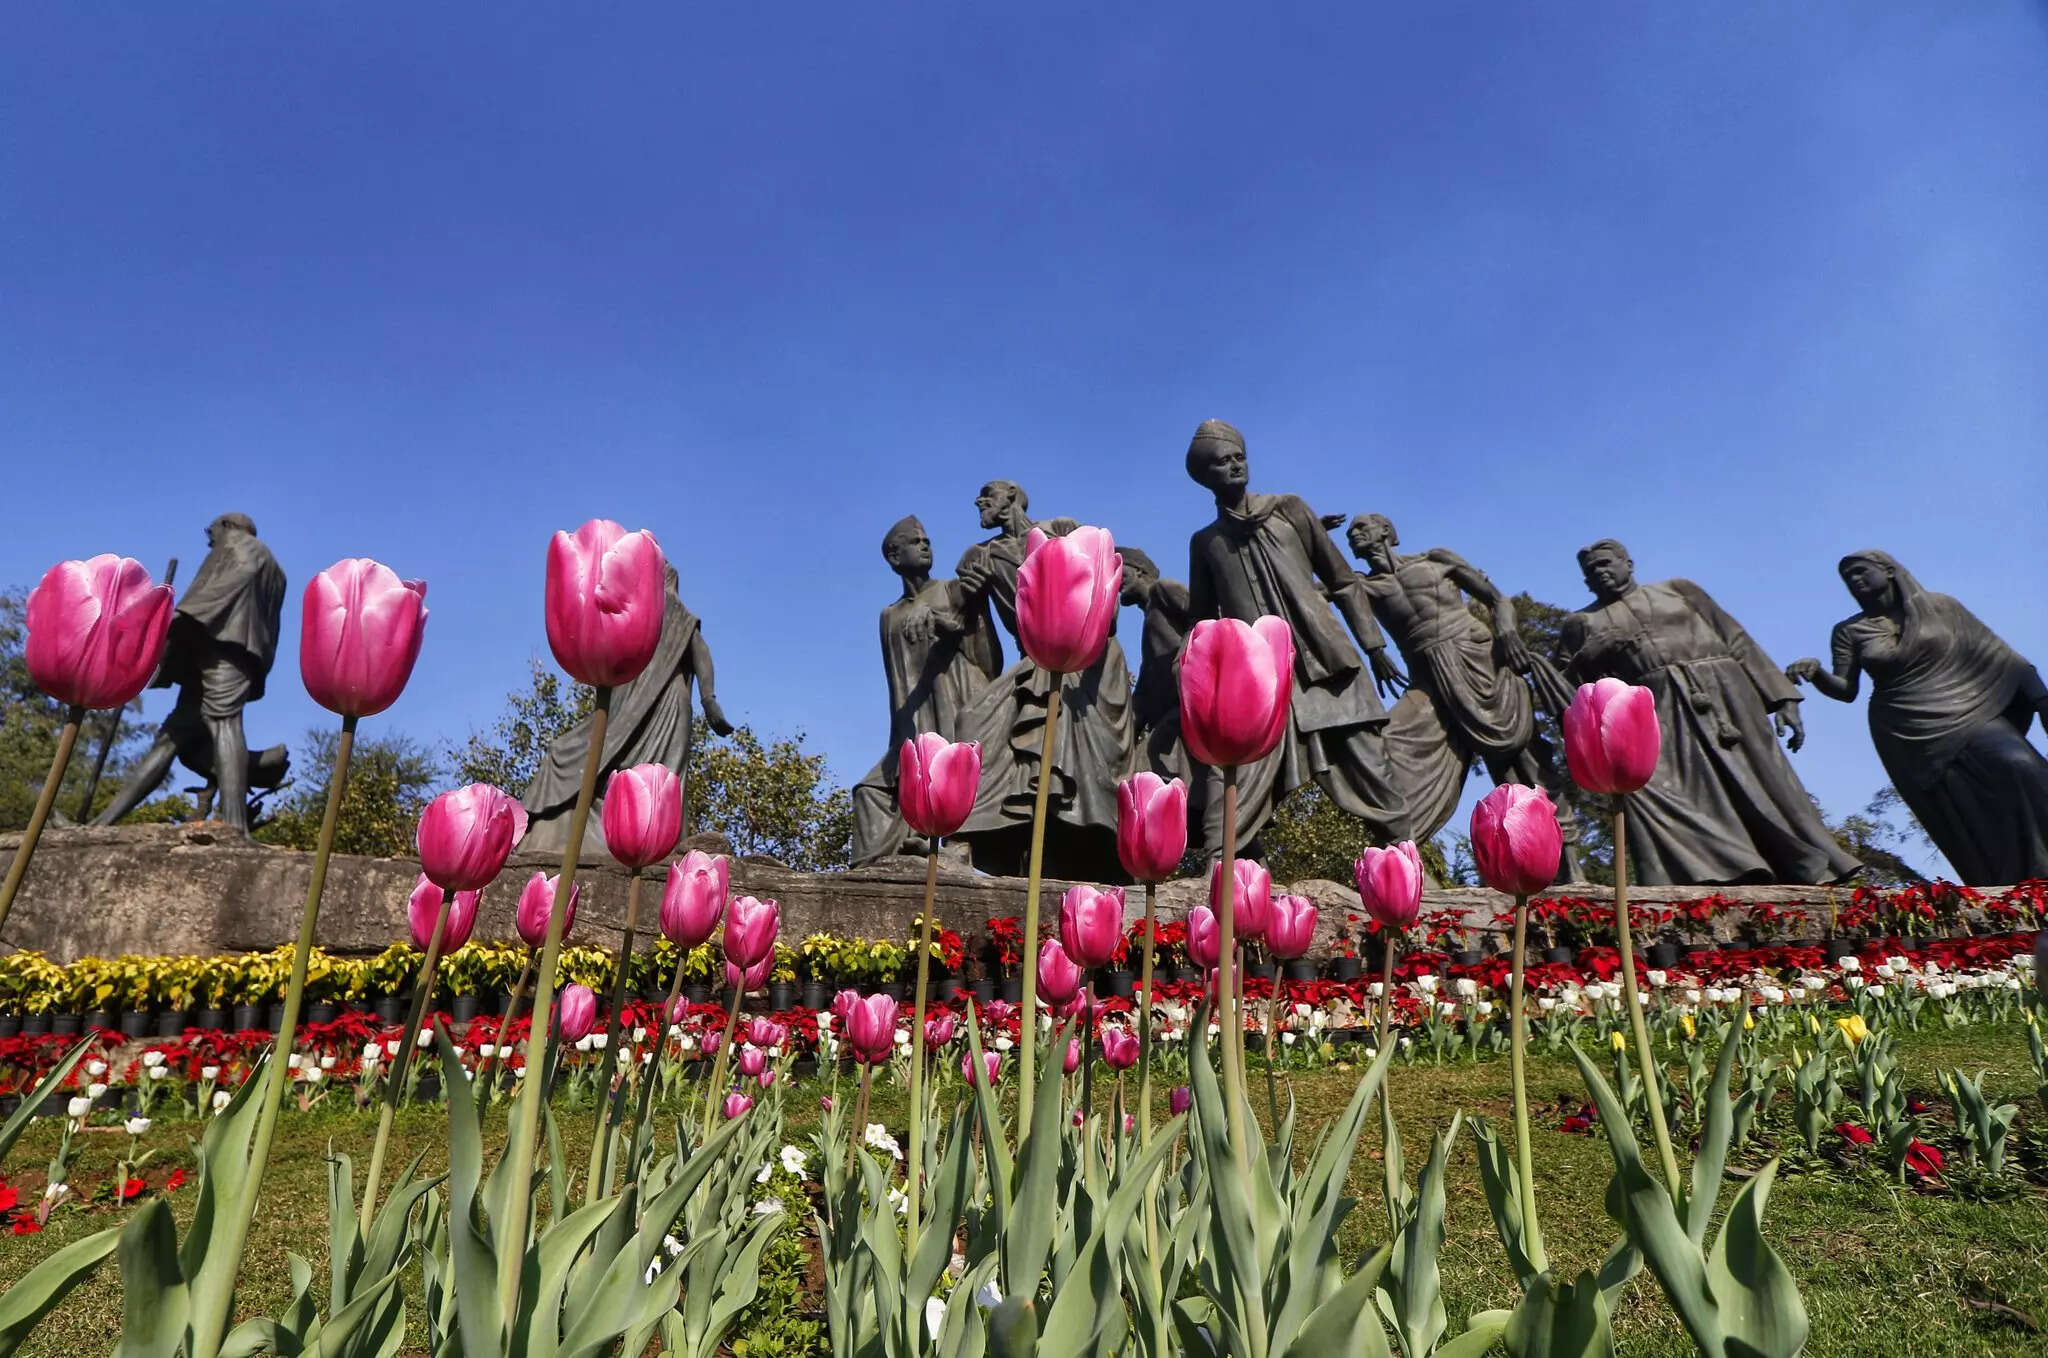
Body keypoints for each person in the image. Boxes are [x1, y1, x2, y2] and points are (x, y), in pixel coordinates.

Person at [1560, 539, 1858, 886]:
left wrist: (1782, 698)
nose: (1600, 572)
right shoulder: (1582, 622)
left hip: (1726, 694)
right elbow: (1567, 688)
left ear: (1629, 563)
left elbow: (1736, 638)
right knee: (1658, 789)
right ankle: (1717, 871)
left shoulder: (1678, 589)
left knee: (1762, 779)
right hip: (1656, 708)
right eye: (1591, 570)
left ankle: (1808, 866)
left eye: (1606, 563)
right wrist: (1587, 656)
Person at [1183, 420, 1407, 852]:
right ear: (1204, 477)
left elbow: (1343, 581)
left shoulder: (1290, 509)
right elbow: (1202, 621)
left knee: (1372, 772)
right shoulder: (1206, 542)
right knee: (1234, 786)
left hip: (1329, 666)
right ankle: (1221, 883)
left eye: (1238, 458)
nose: (1234, 467)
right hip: (1260, 684)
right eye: (1221, 463)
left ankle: (1408, 873)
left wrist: (1374, 645)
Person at [1335, 513, 1583, 877]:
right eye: (1349, 532)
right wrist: (1309, 531)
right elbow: (1312, 586)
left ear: (1387, 531)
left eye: (1361, 527)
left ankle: (1570, 867)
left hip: (1481, 662)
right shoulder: (1362, 585)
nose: (1353, 535)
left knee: (1522, 763)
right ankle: (1403, 855)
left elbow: (1497, 599)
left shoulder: (1436, 560)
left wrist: (1508, 633)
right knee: (1385, 747)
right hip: (1428, 682)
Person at [1788, 551, 2048, 885]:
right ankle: (2010, 884)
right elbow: (1845, 689)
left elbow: (2002, 656)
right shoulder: (1850, 630)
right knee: (1963, 805)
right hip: (1905, 728)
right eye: (1847, 578)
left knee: (2019, 764)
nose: (1855, 580)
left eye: (1860, 571)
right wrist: (1817, 673)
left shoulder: (1942, 608)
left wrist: (2040, 698)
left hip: (1970, 706)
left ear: (1889, 571)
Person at [949, 480, 1135, 879]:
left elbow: (1108, 606)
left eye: (989, 494)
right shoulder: (980, 558)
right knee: (973, 717)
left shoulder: (1063, 532)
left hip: (1087, 653)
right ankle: (961, 831)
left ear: (1013, 498)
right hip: (1031, 657)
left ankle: (1062, 812)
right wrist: (963, 604)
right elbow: (980, 643)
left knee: (1059, 699)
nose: (979, 501)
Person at [92, 513, 288, 838]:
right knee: (171, 737)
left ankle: (234, 824)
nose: (208, 536)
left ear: (227, 526)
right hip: (218, 649)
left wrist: (181, 615)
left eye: (210, 529)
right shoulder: (276, 570)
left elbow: (232, 580)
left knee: (224, 721)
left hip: (226, 646)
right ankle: (100, 825)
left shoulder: (240, 546)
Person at [520, 562, 732, 857]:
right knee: (580, 755)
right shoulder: (633, 616)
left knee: (659, 778)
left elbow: (700, 653)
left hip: (667, 705)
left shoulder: (674, 613)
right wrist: (708, 700)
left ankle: (656, 845)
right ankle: (583, 836)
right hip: (627, 706)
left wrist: (709, 700)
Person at [850, 516, 1004, 863]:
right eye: (915, 541)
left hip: (955, 708)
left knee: (948, 773)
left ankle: (949, 846)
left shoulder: (954, 591)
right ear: (893, 556)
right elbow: (898, 684)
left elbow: (989, 662)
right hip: (911, 725)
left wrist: (968, 616)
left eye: (927, 540)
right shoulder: (889, 616)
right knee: (869, 792)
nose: (925, 544)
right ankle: (872, 874)